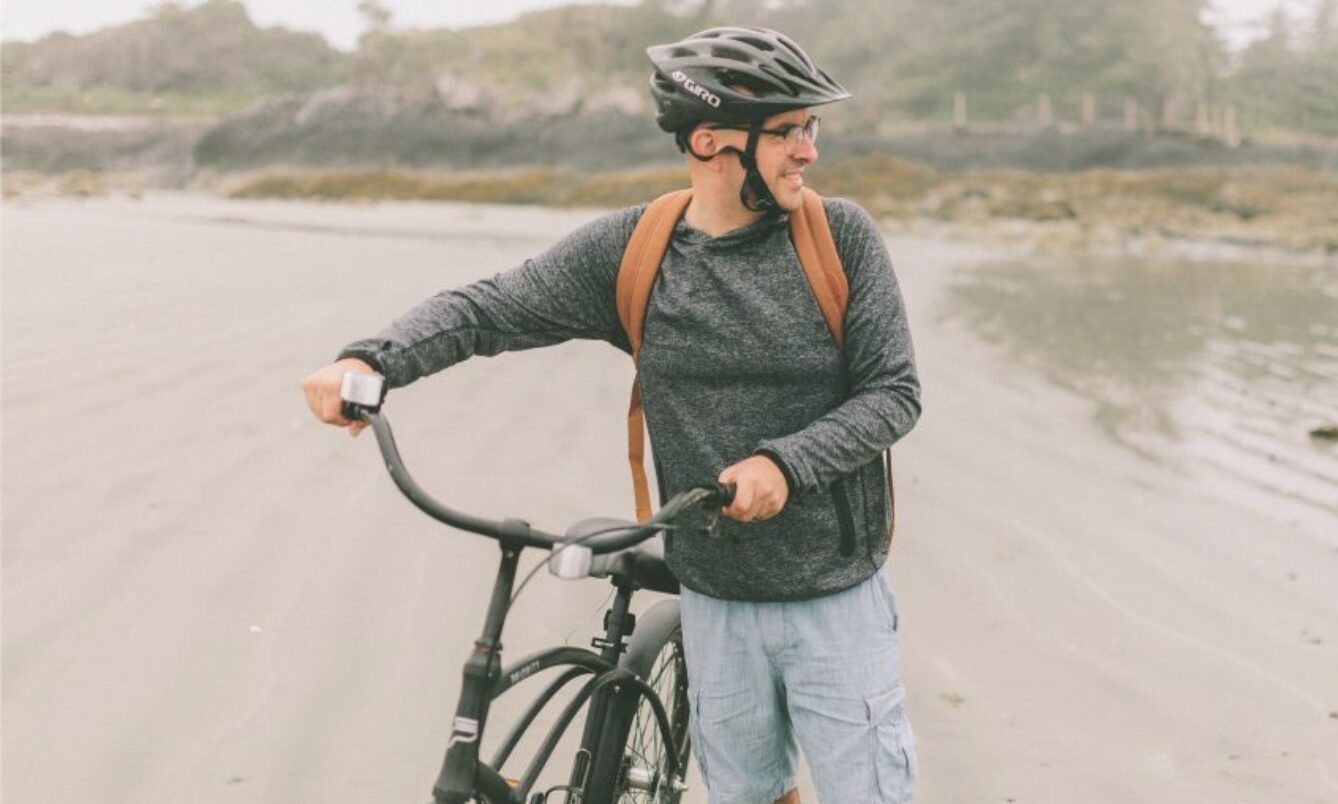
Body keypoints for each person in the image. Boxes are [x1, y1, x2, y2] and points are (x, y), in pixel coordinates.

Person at [301, 26, 920, 804]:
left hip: (836, 598)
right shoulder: (640, 250)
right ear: (711, 141)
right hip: (715, 596)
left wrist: (784, 464)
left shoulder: (842, 240)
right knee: (748, 796)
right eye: (788, 132)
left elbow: (893, 393)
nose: (808, 152)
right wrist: (372, 358)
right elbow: (491, 307)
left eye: (810, 128)